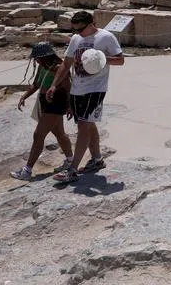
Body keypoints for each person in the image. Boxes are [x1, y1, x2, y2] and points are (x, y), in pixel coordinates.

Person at [51, 11, 124, 183]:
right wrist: (54, 85)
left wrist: (102, 58)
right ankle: (97, 159)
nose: (78, 33)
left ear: (91, 23)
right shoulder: (76, 39)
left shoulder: (106, 37)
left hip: (96, 88)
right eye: (75, 30)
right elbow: (66, 63)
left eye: (81, 29)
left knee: (83, 124)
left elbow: (120, 60)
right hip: (78, 88)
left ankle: (73, 169)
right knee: (88, 124)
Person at [10, 42, 73, 180]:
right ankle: (70, 160)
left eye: (38, 57)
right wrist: (24, 96)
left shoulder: (58, 68)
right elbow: (37, 84)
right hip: (45, 102)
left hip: (56, 103)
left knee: (38, 135)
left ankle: (27, 170)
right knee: (60, 134)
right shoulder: (43, 66)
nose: (36, 60)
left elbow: (68, 87)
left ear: (46, 56)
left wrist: (70, 105)